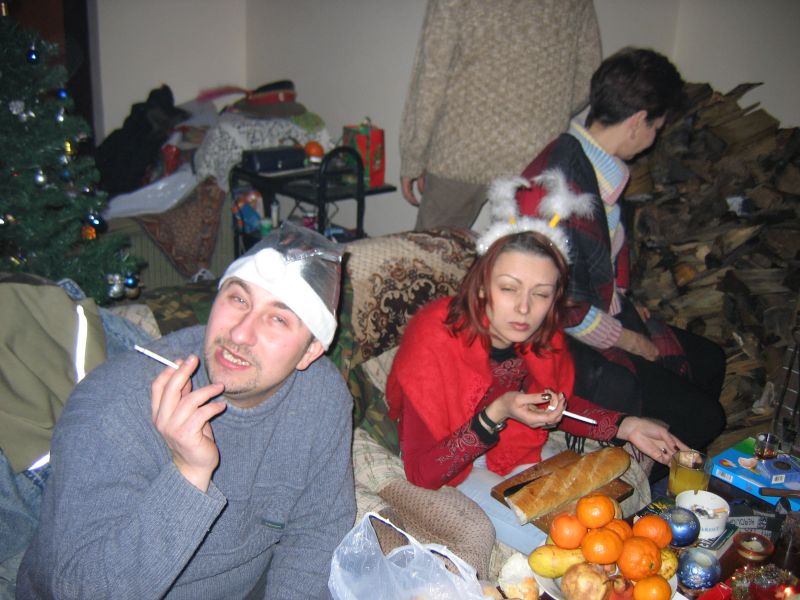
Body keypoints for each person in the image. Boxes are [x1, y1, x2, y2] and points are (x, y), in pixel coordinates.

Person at [17, 223, 356, 599]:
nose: (240, 334)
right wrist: (188, 474)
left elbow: (316, 534)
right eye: (238, 299)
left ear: (310, 351)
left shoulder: (323, 399)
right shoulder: (113, 409)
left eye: (278, 318)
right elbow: (78, 590)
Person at [386, 179, 688, 554]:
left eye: (541, 293)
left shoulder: (540, 336)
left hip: (511, 443)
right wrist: (498, 412)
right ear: (481, 287)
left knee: (598, 520)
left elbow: (551, 403)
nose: (524, 308)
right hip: (451, 459)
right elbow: (422, 472)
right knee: (564, 544)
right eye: (508, 288)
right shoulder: (433, 340)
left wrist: (625, 425)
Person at [516, 47, 727, 456]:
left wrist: (620, 300)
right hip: (552, 338)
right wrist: (630, 339)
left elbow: (598, 264)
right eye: (656, 127)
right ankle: (661, 470)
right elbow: (561, 307)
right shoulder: (562, 188)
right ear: (636, 123)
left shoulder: (591, 164)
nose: (654, 137)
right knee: (706, 418)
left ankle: (663, 451)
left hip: (593, 313)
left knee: (710, 359)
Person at [399, 0, 601, 231]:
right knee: (524, 250)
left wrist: (414, 156)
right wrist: (546, 113)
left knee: (431, 250)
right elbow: (588, 75)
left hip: (459, 150)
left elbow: (430, 77)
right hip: (535, 153)